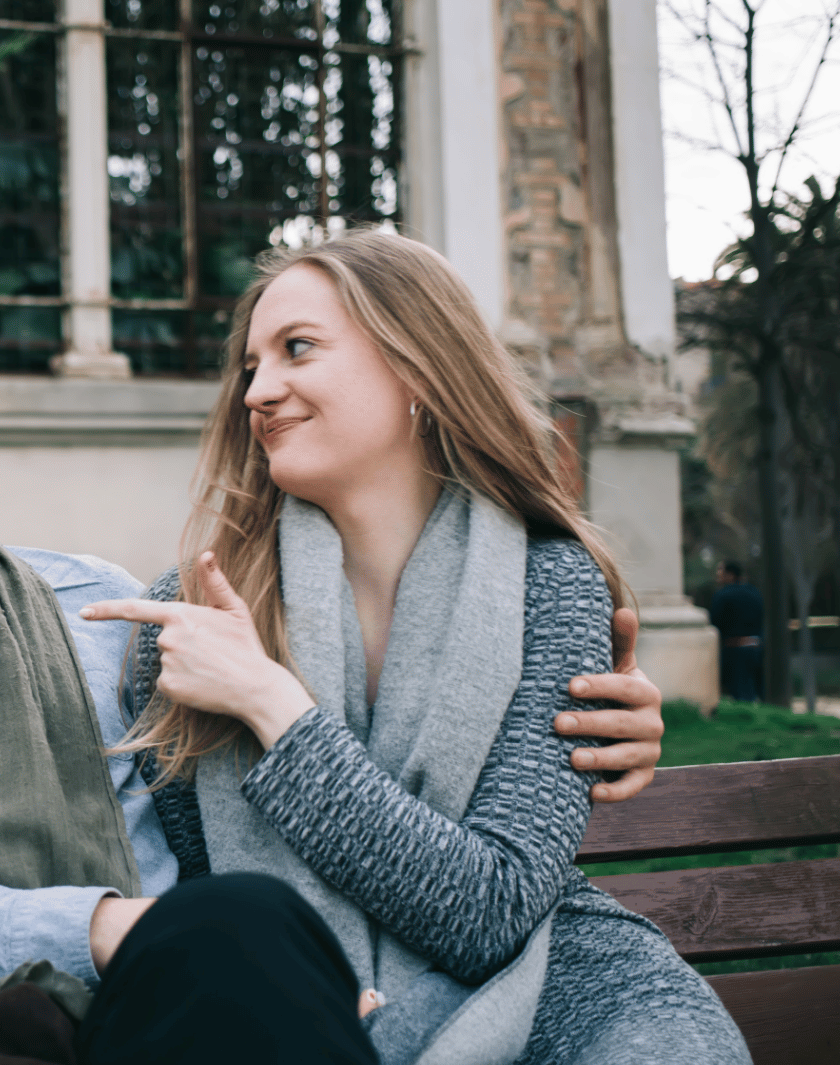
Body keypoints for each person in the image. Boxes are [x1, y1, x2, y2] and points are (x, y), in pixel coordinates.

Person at [0, 221, 668, 1065]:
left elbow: (289, 815)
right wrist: (96, 928)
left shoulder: (106, 609)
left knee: (240, 935)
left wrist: (588, 733)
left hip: (156, 1026)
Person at [81, 231, 748, 1064]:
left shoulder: (554, 585)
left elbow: (489, 913)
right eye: (251, 365)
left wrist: (270, 703)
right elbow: (207, 908)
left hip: (556, 985)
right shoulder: (189, 619)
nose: (259, 390)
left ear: (418, 371)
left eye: (297, 350)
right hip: (294, 989)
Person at [709, 560, 765, 702]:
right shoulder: (755, 592)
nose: (718, 576)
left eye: (720, 572)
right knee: (756, 692)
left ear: (730, 575)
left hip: (735, 649)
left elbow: (715, 622)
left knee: (740, 694)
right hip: (756, 647)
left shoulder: (723, 595)